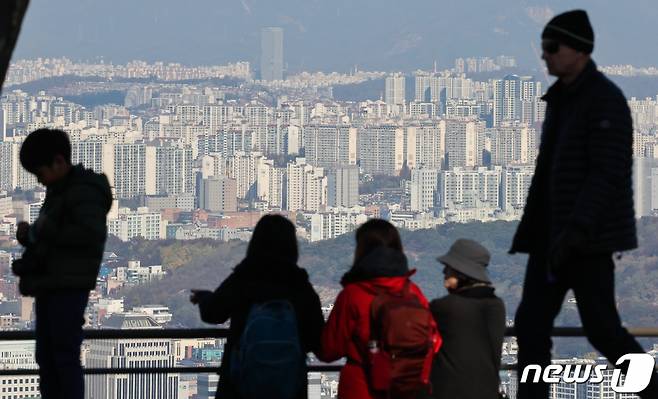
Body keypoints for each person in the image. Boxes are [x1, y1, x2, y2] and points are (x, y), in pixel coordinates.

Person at [509, 10, 658, 398]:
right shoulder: (564, 99)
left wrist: (577, 231)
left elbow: (606, 176)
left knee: (602, 330)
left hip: (586, 241)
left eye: (551, 47)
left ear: (578, 49)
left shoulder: (603, 101)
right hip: (551, 239)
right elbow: (549, 177)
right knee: (531, 326)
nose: (545, 56)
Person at [12, 128, 113, 399]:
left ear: (58, 162)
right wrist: (31, 238)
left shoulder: (82, 191)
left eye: (40, 173)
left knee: (62, 357)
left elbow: (85, 234)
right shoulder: (63, 191)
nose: (40, 181)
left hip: (68, 285)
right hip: (55, 284)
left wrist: (39, 235)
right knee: (48, 357)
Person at [190, 214, 324, 399]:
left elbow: (214, 314)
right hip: (289, 386)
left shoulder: (244, 277)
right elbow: (315, 338)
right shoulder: (300, 285)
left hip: (241, 382)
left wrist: (204, 298)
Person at [319, 219, 441, 399]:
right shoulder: (412, 292)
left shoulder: (353, 294)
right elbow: (435, 341)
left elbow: (329, 350)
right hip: (405, 388)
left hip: (360, 387)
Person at [422, 239, 506, 399]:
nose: (444, 272)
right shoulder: (497, 306)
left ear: (462, 272)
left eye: (448, 268)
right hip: (488, 392)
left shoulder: (445, 307)